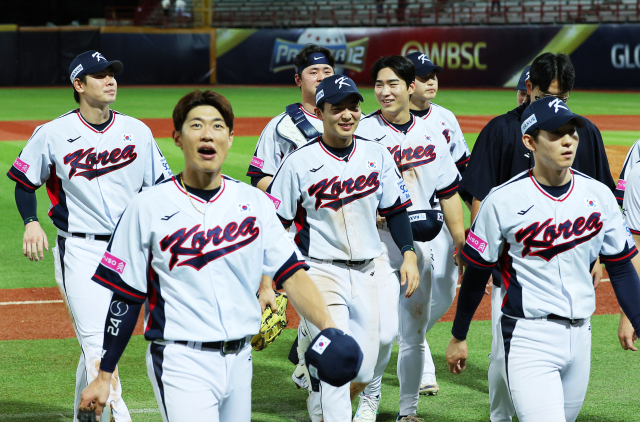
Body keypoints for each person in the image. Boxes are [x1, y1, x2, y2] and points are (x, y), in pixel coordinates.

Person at [78, 90, 359, 421]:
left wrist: (327, 328)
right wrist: (104, 373)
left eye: (217, 126)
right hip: (181, 361)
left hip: (240, 360)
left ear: (230, 138)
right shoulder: (146, 208)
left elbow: (293, 273)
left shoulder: (253, 204)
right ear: (178, 139)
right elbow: (125, 297)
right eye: (196, 125)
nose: (207, 134)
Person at [446, 96, 640, 422]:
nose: (568, 140)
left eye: (572, 132)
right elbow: (477, 274)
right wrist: (459, 335)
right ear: (529, 141)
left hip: (581, 338)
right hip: (527, 337)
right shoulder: (502, 201)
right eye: (555, 133)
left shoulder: (598, 196)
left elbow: (620, 267)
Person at [7, 50, 172, 422]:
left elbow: (162, 189)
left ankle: (87, 412)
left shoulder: (137, 131)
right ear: (78, 85)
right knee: (100, 348)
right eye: (100, 75)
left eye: (113, 73)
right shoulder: (52, 133)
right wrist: (30, 221)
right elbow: (23, 182)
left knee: (98, 347)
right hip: (80, 251)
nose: (110, 80)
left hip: (131, 250)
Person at [267, 75, 420, 422]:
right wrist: (275, 277)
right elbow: (277, 223)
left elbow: (396, 209)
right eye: (338, 108)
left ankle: (317, 383)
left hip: (372, 266)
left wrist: (408, 252)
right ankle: (326, 396)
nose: (347, 114)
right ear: (320, 113)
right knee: (337, 357)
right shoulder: (298, 163)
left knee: (378, 349)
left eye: (353, 107)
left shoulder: (376, 154)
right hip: (321, 270)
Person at [353, 56, 465, 422]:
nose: (384, 92)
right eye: (379, 85)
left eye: (393, 84)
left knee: (414, 333)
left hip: (421, 247)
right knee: (379, 332)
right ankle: (367, 403)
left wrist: (460, 240)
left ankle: (408, 412)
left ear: (410, 87)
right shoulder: (363, 132)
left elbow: (449, 192)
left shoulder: (432, 133)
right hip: (375, 246)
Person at [245, 44, 335, 417]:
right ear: (298, 79)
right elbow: (260, 177)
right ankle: (321, 400)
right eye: (315, 72)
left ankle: (303, 357)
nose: (322, 77)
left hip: (348, 234)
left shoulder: (347, 117)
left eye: (328, 72)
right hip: (302, 238)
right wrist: (294, 195)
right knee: (325, 318)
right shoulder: (282, 127)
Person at [405, 51, 471, 396]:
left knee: (445, 289)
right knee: (415, 288)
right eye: (422, 75)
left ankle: (410, 335)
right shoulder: (387, 123)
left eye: (433, 74)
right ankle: (420, 356)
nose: (431, 80)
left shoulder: (445, 118)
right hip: (405, 220)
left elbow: (465, 169)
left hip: (444, 218)